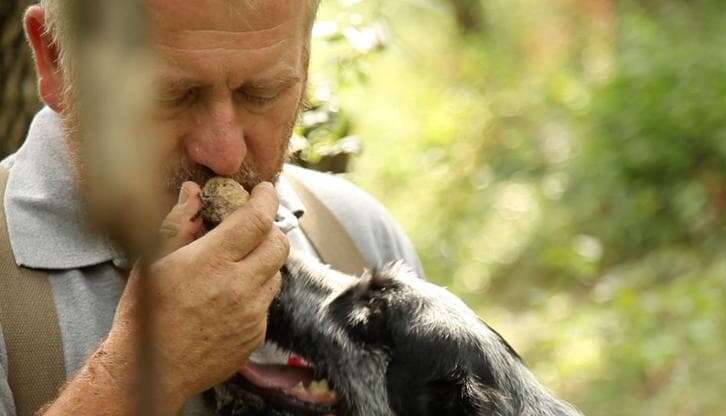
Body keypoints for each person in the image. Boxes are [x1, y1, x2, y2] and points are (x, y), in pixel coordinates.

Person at [0, 1, 423, 415]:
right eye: (172, 96)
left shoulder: (357, 237)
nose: (225, 156)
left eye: (262, 92)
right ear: (54, 60)